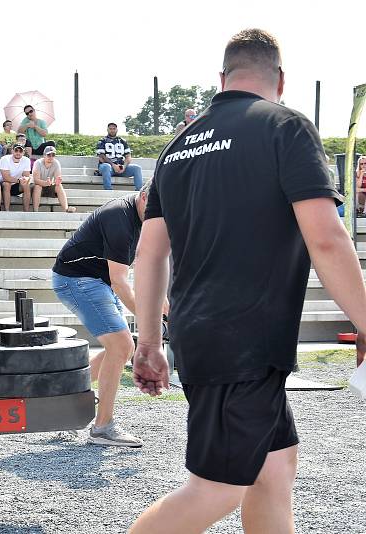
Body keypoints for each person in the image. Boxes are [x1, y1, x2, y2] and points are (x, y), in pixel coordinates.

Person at [130, 29, 366, 533]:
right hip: (246, 340)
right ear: (280, 78)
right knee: (215, 488)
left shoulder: (179, 147)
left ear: (222, 79)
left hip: (204, 336)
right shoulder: (286, 127)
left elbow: (149, 254)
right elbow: (326, 238)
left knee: (274, 469)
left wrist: (147, 342)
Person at [51, 186, 153, 447]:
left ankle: (64, 399)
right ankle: (102, 428)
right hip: (77, 279)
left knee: (117, 350)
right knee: (122, 345)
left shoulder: (146, 217)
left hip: (97, 280)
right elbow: (120, 281)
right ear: (143, 197)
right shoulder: (119, 217)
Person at [95, 122, 143, 190]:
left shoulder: (122, 141)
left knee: (137, 168)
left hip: (120, 168)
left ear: (117, 130)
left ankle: (139, 192)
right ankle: (108, 191)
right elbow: (101, 157)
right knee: (106, 166)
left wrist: (124, 166)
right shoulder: (102, 141)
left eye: (114, 128)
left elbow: (128, 157)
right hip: (108, 168)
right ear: (107, 130)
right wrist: (113, 165)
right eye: (110, 129)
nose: (112, 130)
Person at [31, 146, 76, 213]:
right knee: (38, 187)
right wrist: (45, 183)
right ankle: (35, 211)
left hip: (48, 186)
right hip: (37, 187)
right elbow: (36, 180)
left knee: (59, 186)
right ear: (44, 155)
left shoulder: (56, 163)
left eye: (53, 155)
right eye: (49, 155)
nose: (51, 157)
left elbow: (57, 178)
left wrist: (57, 182)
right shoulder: (38, 163)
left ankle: (66, 209)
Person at [0, 143, 32, 211]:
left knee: (26, 185)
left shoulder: (26, 160)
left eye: (20, 151)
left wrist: (25, 180)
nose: (18, 153)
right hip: (1, 185)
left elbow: (26, 176)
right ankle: (7, 211)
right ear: (12, 151)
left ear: (23, 152)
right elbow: (6, 178)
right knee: (7, 184)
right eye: (16, 150)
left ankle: (26, 212)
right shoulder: (5, 159)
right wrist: (20, 180)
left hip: (16, 184)